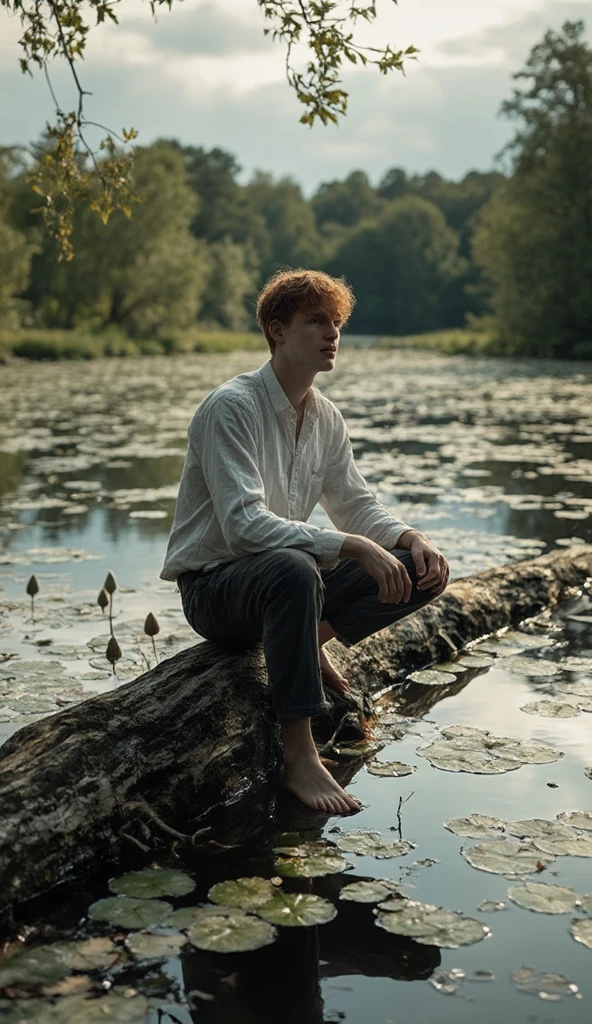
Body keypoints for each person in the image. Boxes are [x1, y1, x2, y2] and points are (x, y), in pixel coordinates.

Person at [161, 269, 449, 816]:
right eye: (316, 322)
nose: (332, 333)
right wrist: (352, 546)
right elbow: (246, 526)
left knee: (419, 567)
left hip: (286, 586)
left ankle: (303, 640)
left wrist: (410, 537)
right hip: (217, 590)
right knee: (294, 568)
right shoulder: (232, 406)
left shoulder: (324, 416)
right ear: (276, 330)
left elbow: (355, 503)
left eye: (336, 323)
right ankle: (299, 754)